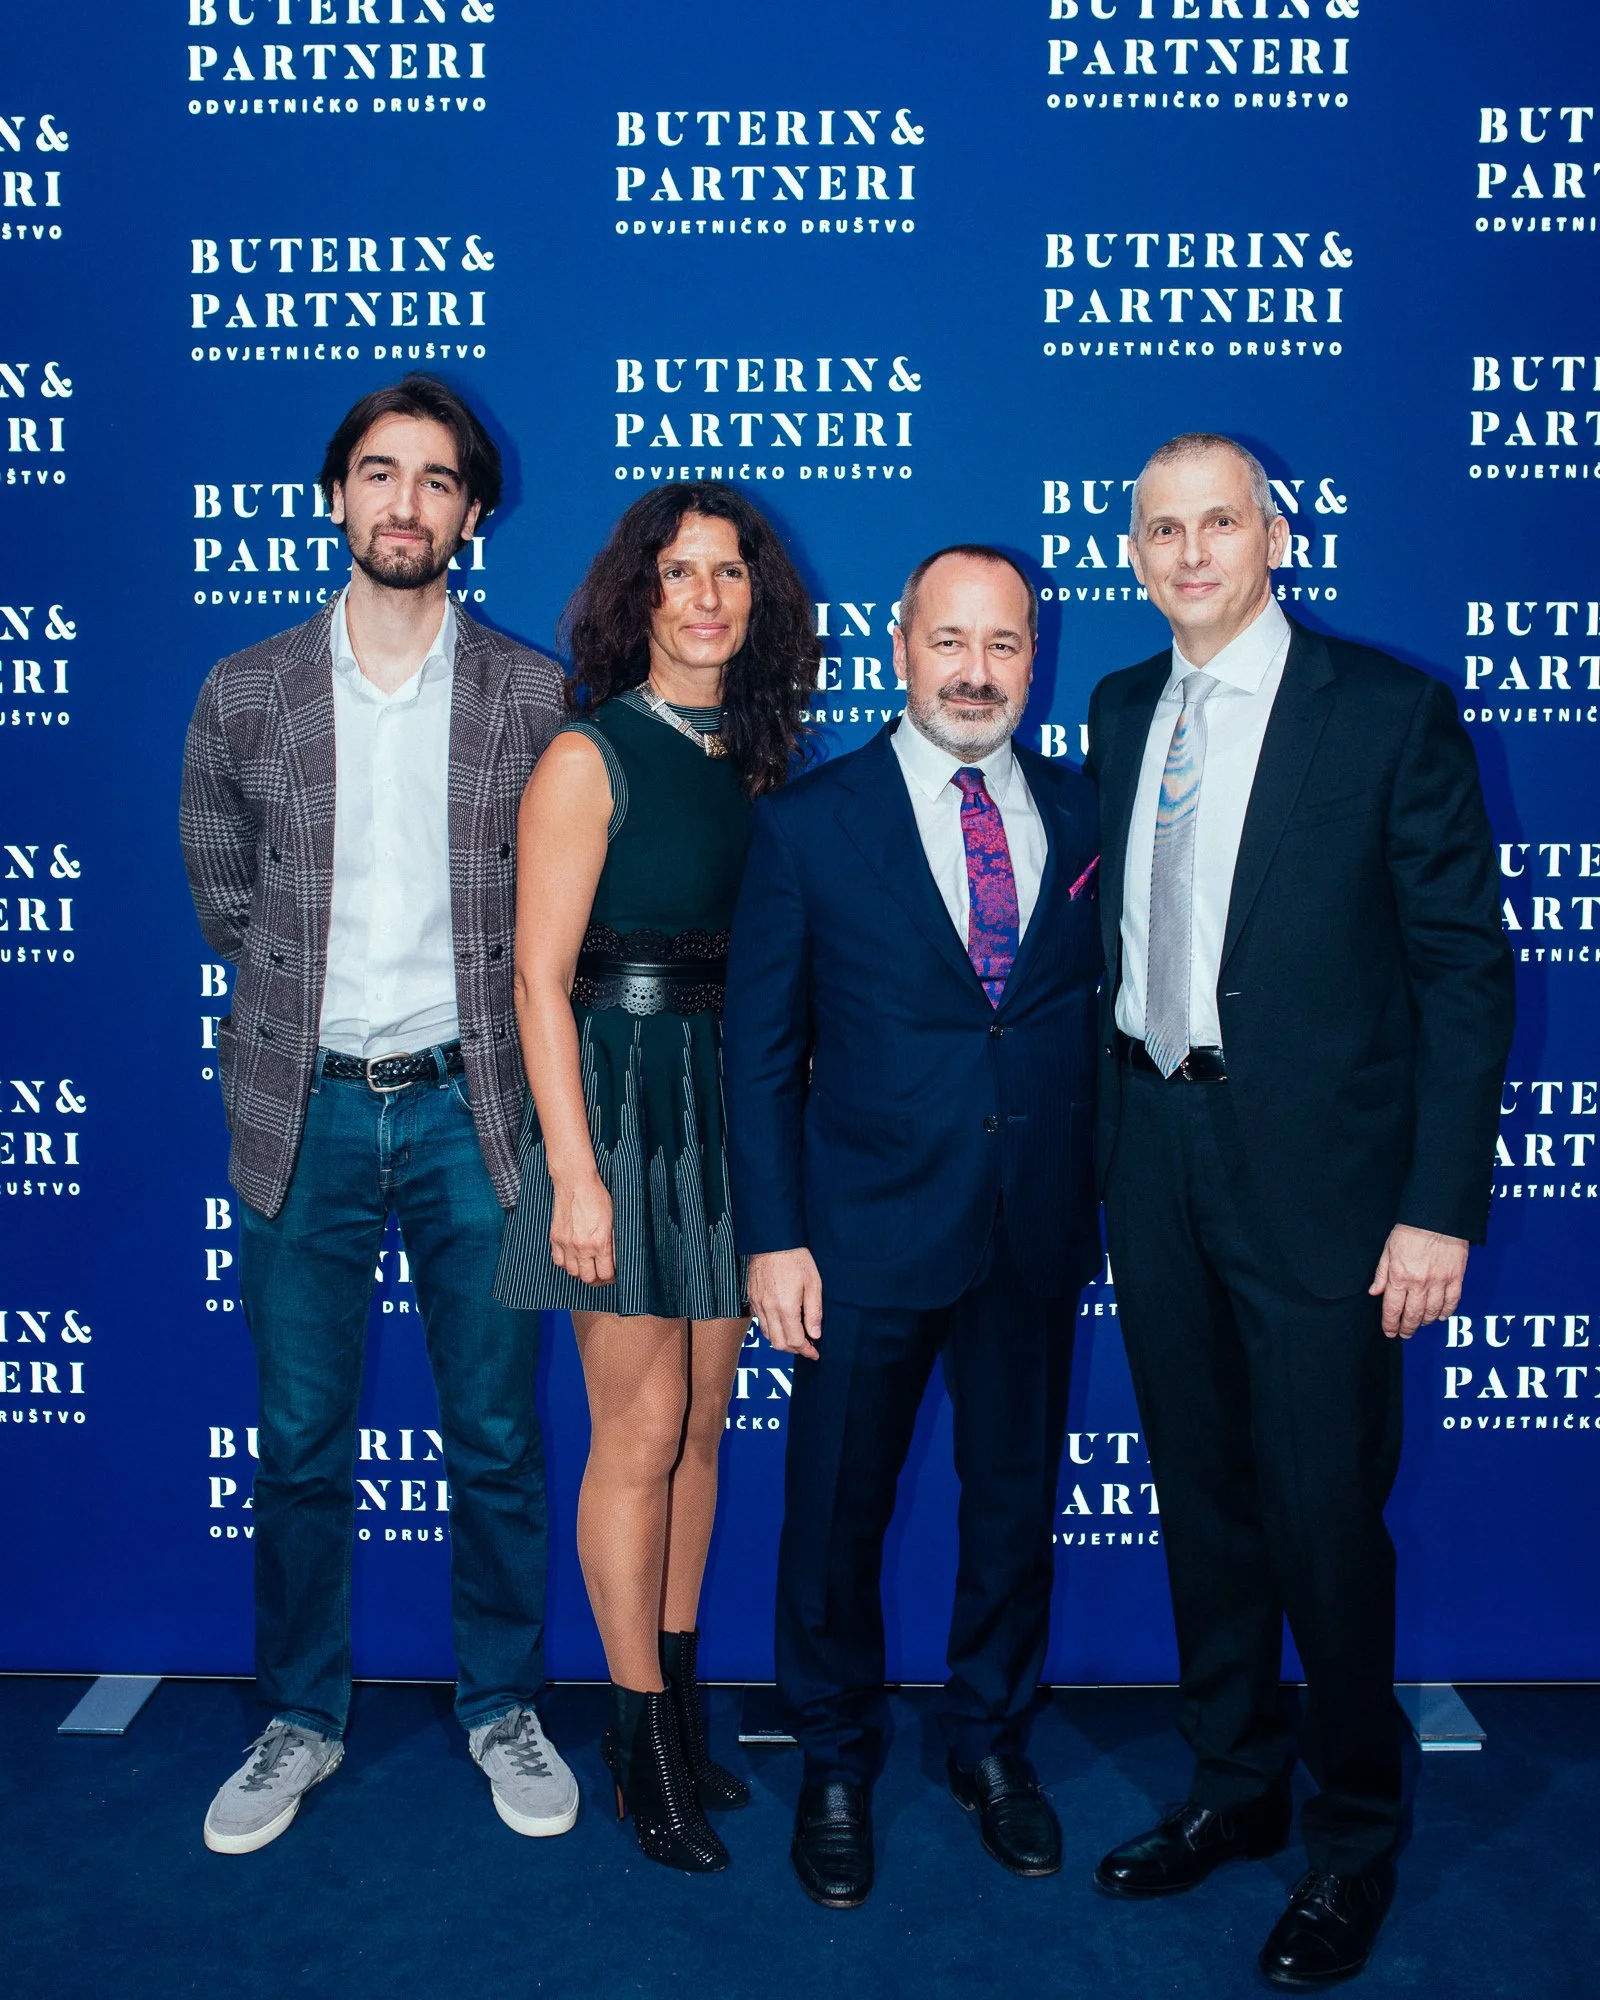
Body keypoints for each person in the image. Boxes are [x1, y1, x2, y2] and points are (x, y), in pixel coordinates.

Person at [1086, 434, 1514, 1987]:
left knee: (1324, 1519)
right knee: (1202, 1499)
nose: (1192, 553)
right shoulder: (1121, 708)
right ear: (1135, 554)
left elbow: (1463, 974)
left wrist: (1436, 1207)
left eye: (1222, 523)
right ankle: (1236, 1784)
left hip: (1329, 1188)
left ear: (1276, 537)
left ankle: (1352, 1837)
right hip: (1154, 1149)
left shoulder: (1386, 711)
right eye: (1164, 530)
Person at [180, 375, 576, 1854]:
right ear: (337, 496)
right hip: (308, 1110)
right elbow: (224, 882)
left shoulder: (532, 696)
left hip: (480, 1116)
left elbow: (560, 909)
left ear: (473, 515)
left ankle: (503, 1704)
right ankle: (300, 1714)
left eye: (436, 480)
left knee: (496, 1437)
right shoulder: (246, 690)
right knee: (298, 1442)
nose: (406, 503)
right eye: (380, 473)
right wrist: (308, 1011)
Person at [722, 545, 1101, 1910]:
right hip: (859, 1236)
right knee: (834, 1516)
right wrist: (774, 1239)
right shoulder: (808, 826)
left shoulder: (1088, 809)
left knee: (1012, 1510)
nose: (975, 673)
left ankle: (989, 1742)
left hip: (1033, 1226)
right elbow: (761, 1055)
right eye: (951, 641)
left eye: (1003, 645)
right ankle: (833, 1760)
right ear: (900, 648)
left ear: (1033, 659)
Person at [494, 482, 816, 1872]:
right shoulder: (587, 754)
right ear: (639, 596)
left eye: (728, 573)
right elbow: (536, 980)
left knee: (700, 1431)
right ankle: (635, 1743)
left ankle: (678, 1710)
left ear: (758, 602)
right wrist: (575, 1176)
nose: (705, 597)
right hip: (620, 1114)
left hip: (723, 1109)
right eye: (679, 572)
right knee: (635, 1433)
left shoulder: (754, 762)